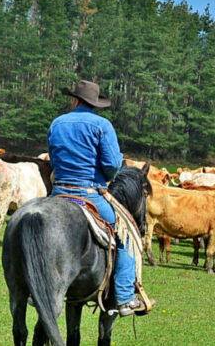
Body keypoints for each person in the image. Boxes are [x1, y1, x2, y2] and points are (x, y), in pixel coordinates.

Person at [47, 79, 151, 317]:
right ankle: (125, 298)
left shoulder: (56, 123)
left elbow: (53, 158)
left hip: (57, 193)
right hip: (89, 195)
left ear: (75, 100)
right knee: (124, 237)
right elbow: (113, 165)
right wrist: (106, 176)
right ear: (94, 104)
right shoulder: (102, 125)